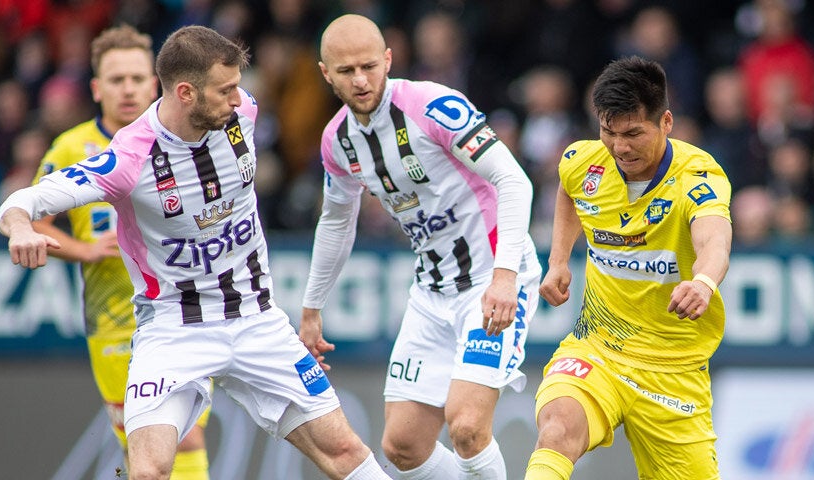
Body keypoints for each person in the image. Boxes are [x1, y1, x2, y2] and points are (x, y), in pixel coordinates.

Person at [0, 25, 390, 480]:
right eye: (225, 90)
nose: (239, 99)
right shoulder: (129, 158)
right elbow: (22, 201)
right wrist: (21, 228)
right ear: (185, 93)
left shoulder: (243, 114)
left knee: (344, 451)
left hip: (257, 319)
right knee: (148, 471)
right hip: (173, 330)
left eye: (238, 87)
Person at [301, 14, 542, 480]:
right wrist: (311, 308)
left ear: (389, 59)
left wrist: (505, 277)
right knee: (403, 446)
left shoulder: (432, 105)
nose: (361, 80)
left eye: (369, 66)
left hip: (489, 281)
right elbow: (335, 221)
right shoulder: (338, 141)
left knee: (467, 426)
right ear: (326, 73)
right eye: (347, 71)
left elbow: (514, 180)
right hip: (431, 293)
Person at [526, 56, 732, 480]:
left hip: (672, 369)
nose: (620, 147)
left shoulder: (698, 177)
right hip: (597, 350)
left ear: (666, 122)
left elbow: (714, 239)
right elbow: (568, 189)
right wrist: (559, 259)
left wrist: (704, 282)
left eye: (634, 133)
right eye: (609, 131)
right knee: (557, 428)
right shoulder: (583, 161)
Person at [27, 25, 209, 478]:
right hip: (114, 320)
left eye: (136, 78)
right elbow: (33, 220)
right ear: (96, 88)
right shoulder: (71, 147)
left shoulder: (183, 137)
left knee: (185, 436)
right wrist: (84, 249)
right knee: (142, 446)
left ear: (155, 84)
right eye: (116, 79)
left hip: (183, 311)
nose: (127, 89)